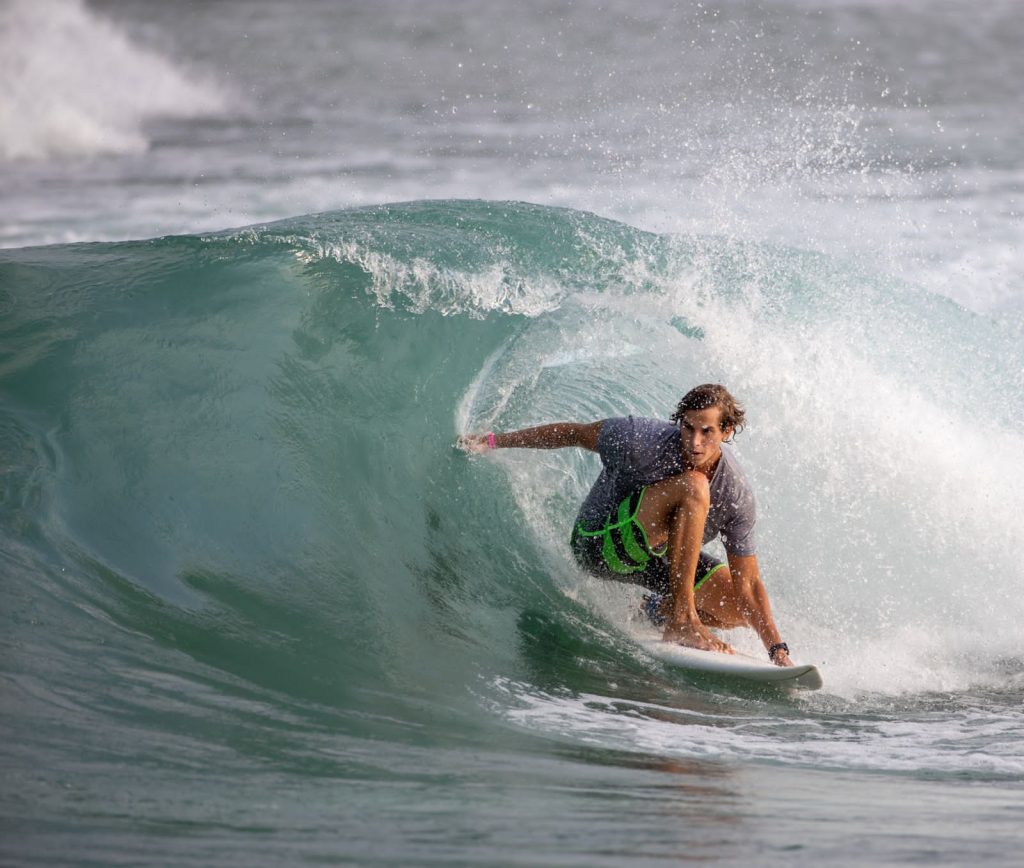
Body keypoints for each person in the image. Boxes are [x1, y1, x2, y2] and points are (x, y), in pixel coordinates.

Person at [458, 384, 793, 666]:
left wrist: (777, 651)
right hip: (599, 543)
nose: (694, 442)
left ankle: (655, 612)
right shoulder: (638, 438)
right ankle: (682, 619)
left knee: (736, 606)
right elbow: (575, 433)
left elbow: (748, 583)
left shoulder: (736, 494)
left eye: (707, 431)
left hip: (655, 562)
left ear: (727, 431)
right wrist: (493, 441)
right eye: (688, 428)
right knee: (694, 486)